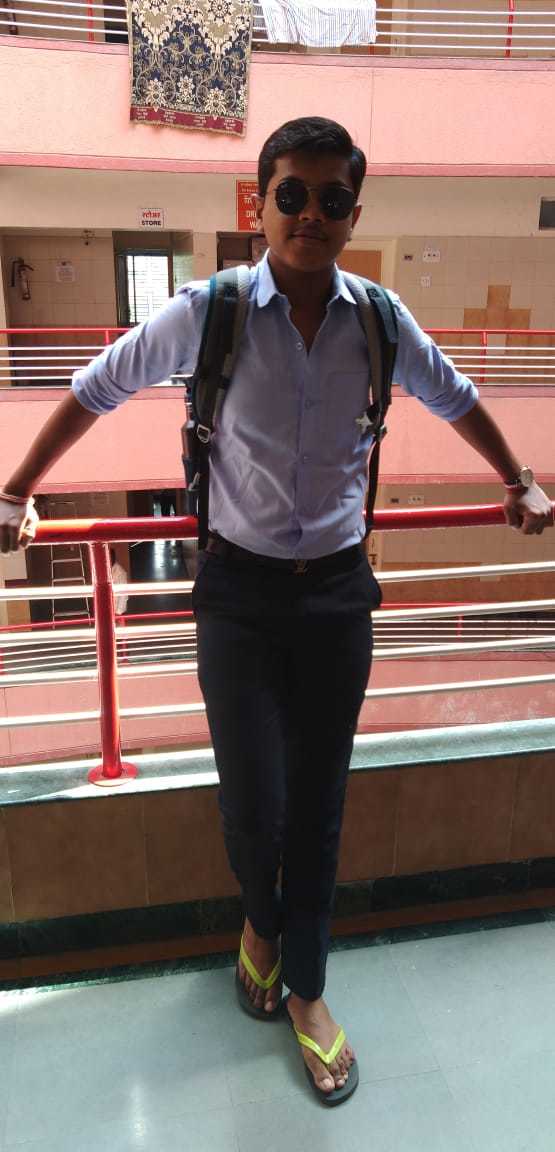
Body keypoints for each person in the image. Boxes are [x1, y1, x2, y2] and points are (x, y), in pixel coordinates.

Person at [0, 117, 551, 1106]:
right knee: (253, 800)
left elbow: (457, 394)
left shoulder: (379, 320)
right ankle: (260, 918)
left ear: (353, 214)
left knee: (321, 803)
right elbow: (95, 386)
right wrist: (15, 490)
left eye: (332, 199)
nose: (309, 214)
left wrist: (516, 479)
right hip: (238, 595)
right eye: (291, 194)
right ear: (260, 205)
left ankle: (306, 988)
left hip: (336, 593)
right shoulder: (209, 312)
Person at [109, 548, 128, 616]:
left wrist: (118, 612)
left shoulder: (120, 572)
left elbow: (124, 594)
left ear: (113, 557)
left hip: (117, 610)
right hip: (109, 608)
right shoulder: (108, 569)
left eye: (109, 557)